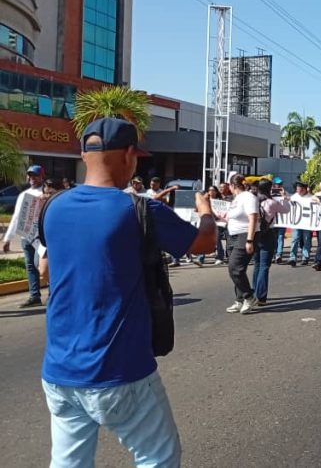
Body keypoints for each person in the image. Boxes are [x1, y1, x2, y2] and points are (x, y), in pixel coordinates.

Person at [40, 117, 216, 467]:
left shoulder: (53, 206)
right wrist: (205, 210)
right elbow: (205, 243)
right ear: (128, 155)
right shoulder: (139, 210)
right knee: (159, 457)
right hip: (118, 370)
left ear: (84, 155)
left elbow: (45, 270)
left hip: (59, 372)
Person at [3, 165, 46, 308]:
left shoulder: (47, 193)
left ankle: (53, 294)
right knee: (30, 266)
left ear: (42, 177)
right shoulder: (23, 195)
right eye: (30, 175)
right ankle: (34, 296)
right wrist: (8, 239)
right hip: (26, 237)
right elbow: (16, 217)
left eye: (35, 175)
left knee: (40, 265)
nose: (32, 178)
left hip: (41, 238)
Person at [222, 174, 260, 314]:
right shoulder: (236, 199)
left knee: (235, 268)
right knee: (237, 270)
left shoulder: (249, 197)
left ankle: (249, 297)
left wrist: (249, 240)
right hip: (232, 235)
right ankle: (239, 300)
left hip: (244, 235)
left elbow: (253, 218)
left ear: (233, 185)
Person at [252, 179, 291, 304]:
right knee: (264, 266)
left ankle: (254, 293)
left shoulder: (253, 201)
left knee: (257, 264)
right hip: (268, 233)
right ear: (270, 189)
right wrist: (284, 198)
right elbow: (286, 209)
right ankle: (261, 296)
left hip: (255, 233)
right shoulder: (272, 202)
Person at [288, 181, 312, 266]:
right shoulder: (294, 197)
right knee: (294, 239)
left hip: (307, 223)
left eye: (300, 189)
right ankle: (292, 258)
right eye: (297, 189)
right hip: (296, 223)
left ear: (305, 189)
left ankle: (305, 257)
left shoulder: (311, 198)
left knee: (306, 240)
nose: (298, 191)